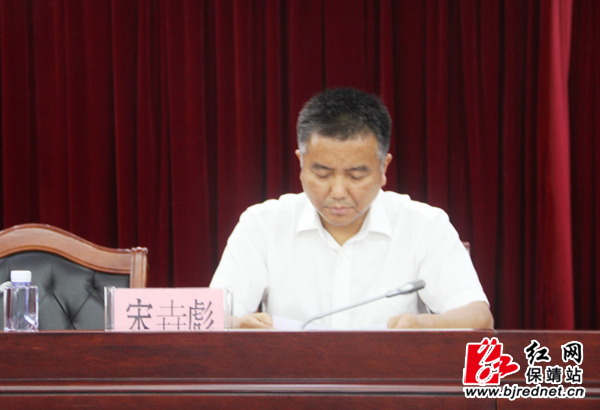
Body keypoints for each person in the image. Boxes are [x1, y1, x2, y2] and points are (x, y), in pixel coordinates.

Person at [210, 88, 493, 330]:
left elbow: (479, 317)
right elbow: (210, 315)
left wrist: (422, 325)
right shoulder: (263, 224)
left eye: (356, 175)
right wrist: (238, 324)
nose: (338, 191)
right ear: (301, 164)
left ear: (383, 168)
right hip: (289, 375)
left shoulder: (423, 224)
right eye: (322, 173)